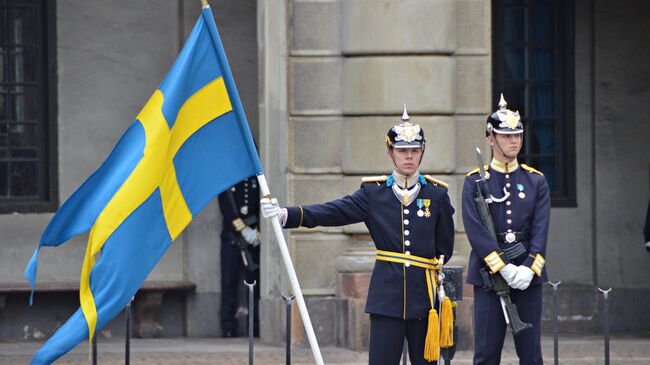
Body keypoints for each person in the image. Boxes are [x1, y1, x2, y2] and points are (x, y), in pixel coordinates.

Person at [260, 107, 455, 365]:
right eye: (402, 150)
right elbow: (334, 212)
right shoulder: (373, 194)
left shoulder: (437, 195)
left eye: (414, 150)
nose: (409, 156)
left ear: (421, 152)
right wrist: (288, 214)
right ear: (390, 153)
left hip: (424, 300)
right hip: (387, 297)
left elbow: (445, 247)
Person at [462, 94, 550, 365]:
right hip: (490, 276)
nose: (514, 141)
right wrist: (502, 267)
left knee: (531, 354)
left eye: (518, 135)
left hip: (526, 274)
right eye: (506, 135)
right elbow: (475, 230)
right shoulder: (475, 181)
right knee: (487, 354)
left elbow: (540, 230)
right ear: (491, 139)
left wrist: (528, 267)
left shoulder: (535, 181)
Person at [218, 176, 260, 338]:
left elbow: (260, 208)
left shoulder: (256, 179)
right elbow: (226, 207)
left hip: (253, 241)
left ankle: (255, 326)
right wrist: (242, 230)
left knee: (254, 284)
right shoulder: (230, 180)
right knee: (229, 283)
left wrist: (256, 232)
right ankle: (228, 326)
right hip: (232, 239)